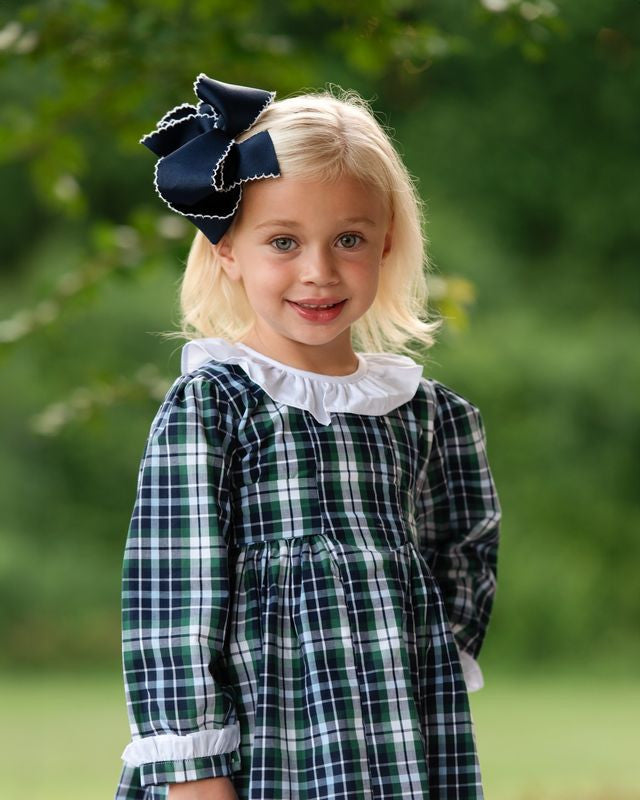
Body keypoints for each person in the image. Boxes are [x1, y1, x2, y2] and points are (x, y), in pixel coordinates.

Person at [115, 74, 501, 800]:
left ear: (386, 244)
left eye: (348, 239)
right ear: (229, 248)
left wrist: (418, 657)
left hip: (399, 743)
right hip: (264, 752)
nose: (318, 273)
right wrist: (194, 771)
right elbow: (172, 601)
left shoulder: (430, 415)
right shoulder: (214, 405)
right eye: (284, 241)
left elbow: (465, 548)